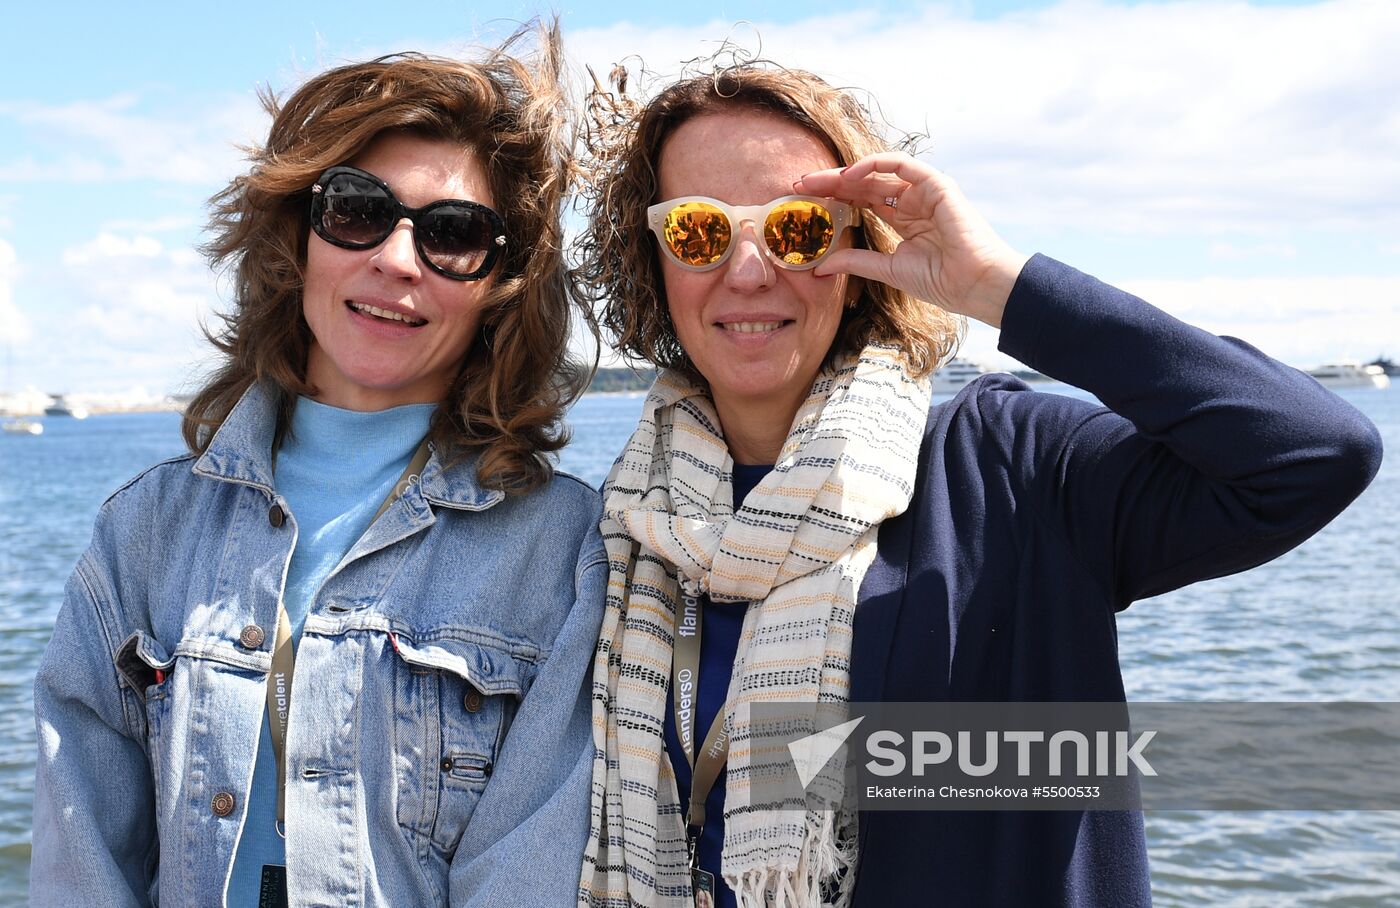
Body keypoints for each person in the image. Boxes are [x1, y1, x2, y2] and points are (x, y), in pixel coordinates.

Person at [572, 63, 1383, 907]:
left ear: (858, 254)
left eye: (799, 229)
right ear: (654, 260)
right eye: (701, 233)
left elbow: (1312, 452)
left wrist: (997, 285)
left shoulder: (1011, 468)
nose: (749, 273)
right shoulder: (626, 528)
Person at [31, 23, 606, 907]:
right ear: (296, 239)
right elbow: (82, 865)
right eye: (357, 210)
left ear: (501, 286)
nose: (394, 259)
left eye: (452, 234)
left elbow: (527, 873)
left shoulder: (562, 551)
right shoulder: (142, 534)